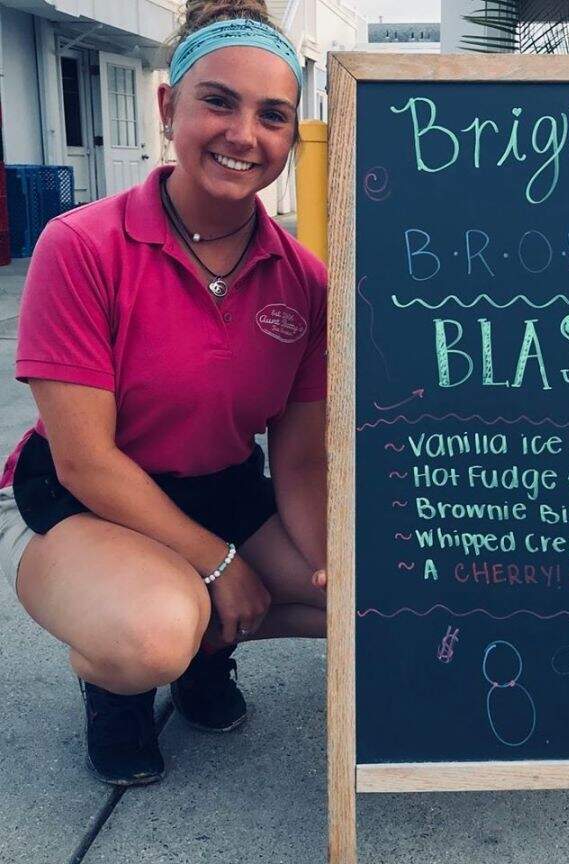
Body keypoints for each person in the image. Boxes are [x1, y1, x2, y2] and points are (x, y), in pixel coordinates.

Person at [0, 0, 328, 786]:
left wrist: (331, 570)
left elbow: (304, 461)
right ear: (167, 105)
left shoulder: (306, 280)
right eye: (218, 100)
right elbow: (85, 462)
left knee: (362, 604)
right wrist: (221, 567)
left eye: (272, 115)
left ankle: (204, 646)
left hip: (220, 490)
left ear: (291, 136)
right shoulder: (80, 246)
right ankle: (126, 681)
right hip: (83, 503)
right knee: (151, 632)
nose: (243, 134)